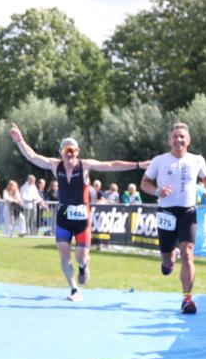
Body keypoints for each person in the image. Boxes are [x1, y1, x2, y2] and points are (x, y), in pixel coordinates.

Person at [10, 126, 146, 301]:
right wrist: (19, 140)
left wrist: (138, 165)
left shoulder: (85, 165)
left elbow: (111, 165)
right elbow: (32, 156)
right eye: (66, 150)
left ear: (77, 152)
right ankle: (74, 289)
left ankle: (83, 265)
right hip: (64, 217)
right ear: (61, 152)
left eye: (73, 150)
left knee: (80, 257)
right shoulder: (55, 165)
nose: (70, 154)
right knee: (64, 255)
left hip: (82, 219)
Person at [141, 122, 206, 315]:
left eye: (182, 136)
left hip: (188, 213)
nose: (178, 140)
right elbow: (144, 183)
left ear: (188, 140)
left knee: (188, 254)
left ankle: (187, 299)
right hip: (166, 212)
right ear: (169, 140)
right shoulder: (159, 160)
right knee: (167, 260)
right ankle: (167, 261)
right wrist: (157, 191)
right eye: (175, 136)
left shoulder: (196, 160)